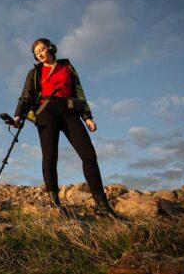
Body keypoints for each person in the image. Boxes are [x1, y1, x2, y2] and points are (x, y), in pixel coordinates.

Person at [12, 38, 118, 218]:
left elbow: (79, 92)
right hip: (46, 112)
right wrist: (18, 115)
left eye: (42, 49)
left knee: (89, 155)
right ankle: (55, 204)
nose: (40, 54)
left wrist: (87, 117)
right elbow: (26, 96)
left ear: (51, 48)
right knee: (50, 157)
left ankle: (103, 205)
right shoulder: (35, 72)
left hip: (69, 112)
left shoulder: (67, 68)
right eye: (37, 53)